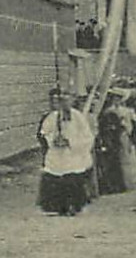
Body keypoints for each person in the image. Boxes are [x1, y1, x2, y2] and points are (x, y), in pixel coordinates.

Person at [38, 87, 95, 216]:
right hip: (57, 154)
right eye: (62, 100)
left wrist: (71, 142)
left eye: (67, 100)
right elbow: (44, 132)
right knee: (55, 176)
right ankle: (55, 207)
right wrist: (53, 139)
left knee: (72, 177)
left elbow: (87, 137)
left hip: (72, 154)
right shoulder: (52, 117)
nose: (64, 103)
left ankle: (73, 206)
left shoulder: (79, 117)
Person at [94, 93, 130, 196]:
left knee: (114, 163)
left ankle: (117, 186)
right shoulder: (106, 113)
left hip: (113, 141)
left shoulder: (111, 114)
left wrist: (115, 130)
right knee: (106, 164)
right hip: (105, 140)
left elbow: (118, 127)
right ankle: (108, 186)